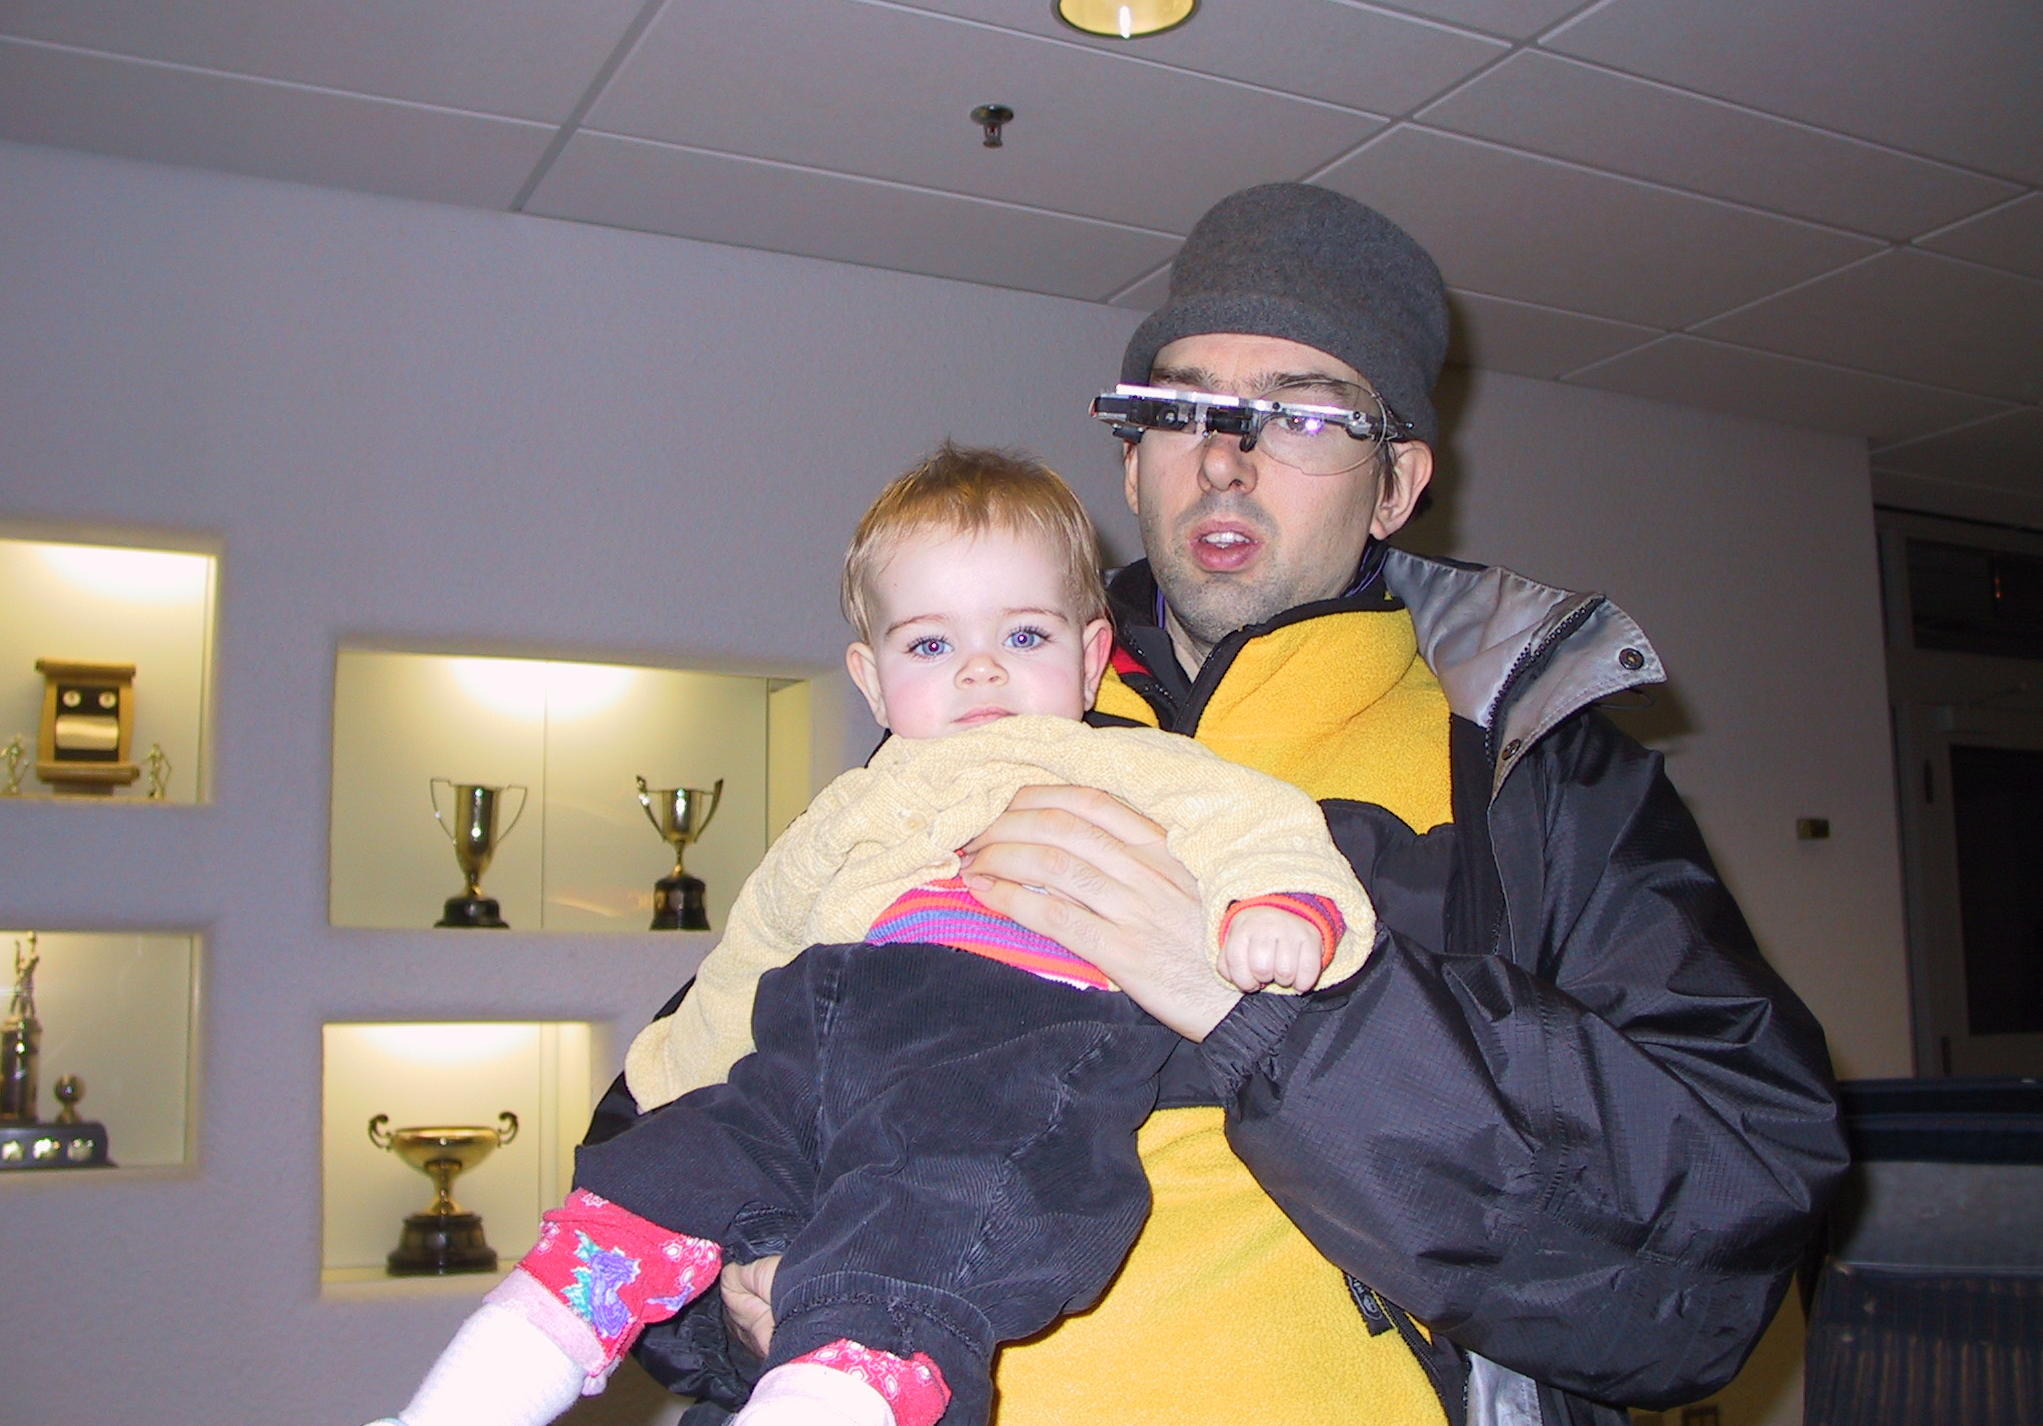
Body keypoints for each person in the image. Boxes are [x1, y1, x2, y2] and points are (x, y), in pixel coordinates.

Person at [620, 184, 1849, 1426]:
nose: (1223, 457)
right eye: (1180, 409)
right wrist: (739, 1296)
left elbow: (1711, 1263)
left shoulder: (1530, 774)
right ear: (1130, 457)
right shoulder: (965, 736)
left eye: (1302, 413)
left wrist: (1268, 1024)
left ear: (1393, 484)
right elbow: (670, 1111)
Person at [370, 446, 1377, 1426]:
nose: (980, 672)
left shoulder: (1122, 768)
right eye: (931, 646)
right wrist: (674, 1089)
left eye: (1024, 636)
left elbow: (1253, 822)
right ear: (872, 677)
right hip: (809, 1054)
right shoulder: (847, 810)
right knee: (641, 1194)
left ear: (1087, 657)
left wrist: (1280, 907)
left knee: (912, 1247)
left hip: (1002, 1065)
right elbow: (748, 957)